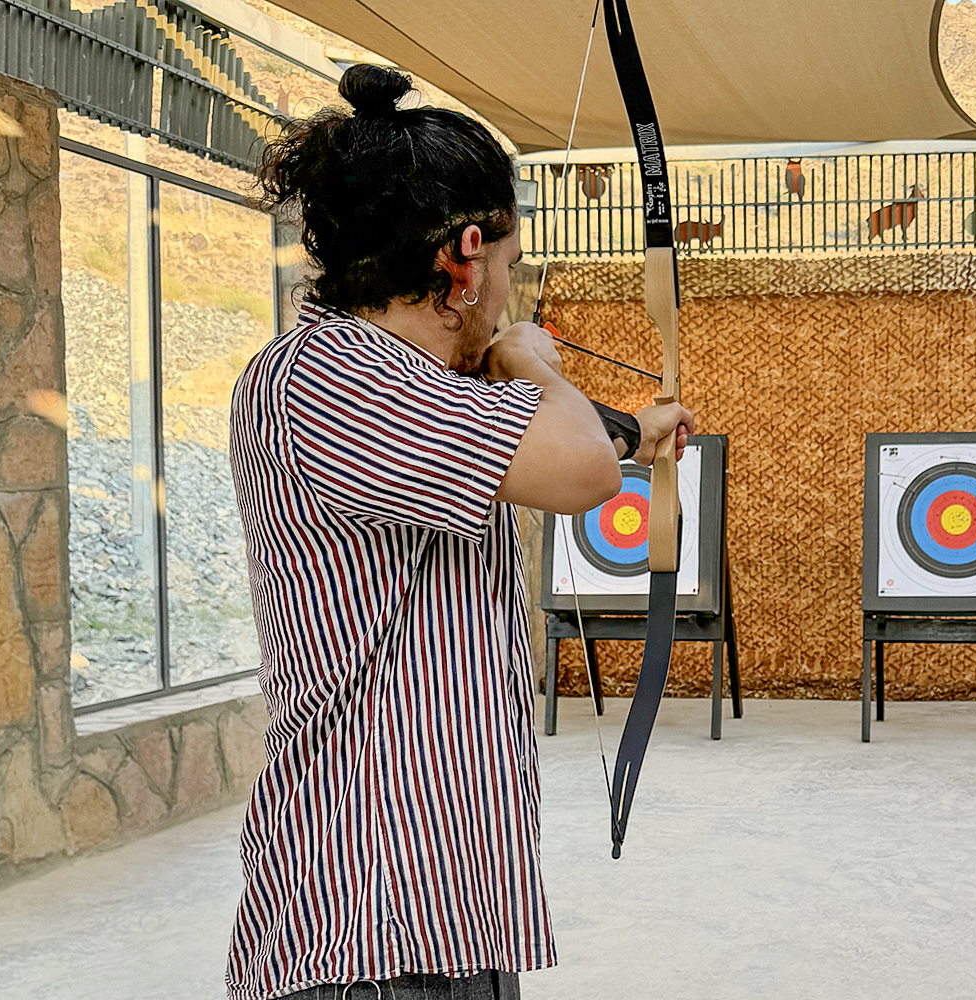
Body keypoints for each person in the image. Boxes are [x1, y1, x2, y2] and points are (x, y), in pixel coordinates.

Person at [225, 63, 692, 1000]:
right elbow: (577, 468)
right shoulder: (336, 377)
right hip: (374, 924)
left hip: (430, 915)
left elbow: (553, 444)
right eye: (510, 271)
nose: (510, 297)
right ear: (463, 258)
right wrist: (529, 358)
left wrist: (639, 432)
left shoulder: (390, 383)